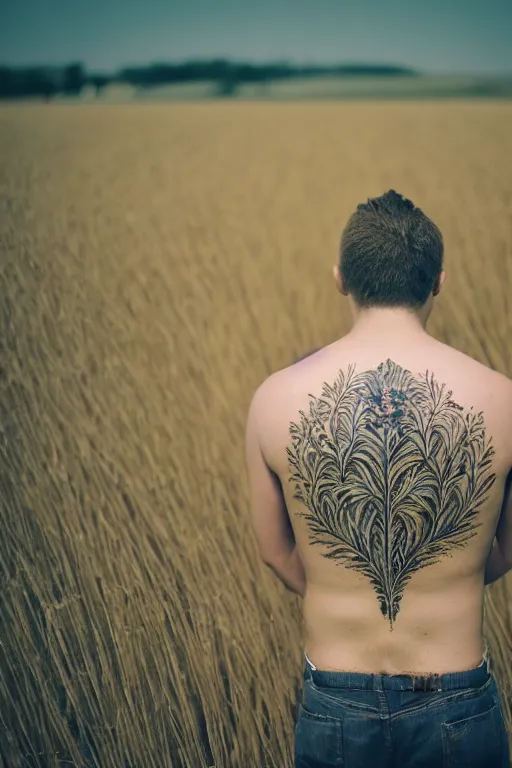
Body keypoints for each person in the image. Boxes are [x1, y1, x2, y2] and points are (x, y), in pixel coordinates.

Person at [245, 190, 511, 767]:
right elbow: (509, 546)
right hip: (457, 700)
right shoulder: (503, 401)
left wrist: (342, 586)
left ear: (341, 278)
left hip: (336, 705)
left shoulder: (274, 400)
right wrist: (455, 577)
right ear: (438, 281)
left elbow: (273, 551)